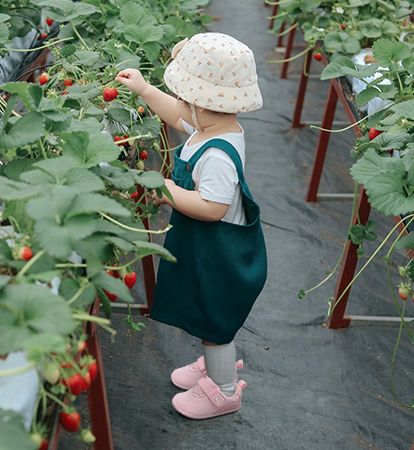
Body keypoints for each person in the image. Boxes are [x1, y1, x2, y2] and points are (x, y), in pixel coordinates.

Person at [115, 32, 267, 420]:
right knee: (206, 316)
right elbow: (179, 115)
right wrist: (146, 90)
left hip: (220, 255)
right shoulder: (212, 128)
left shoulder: (217, 154)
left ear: (206, 103)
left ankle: (224, 390)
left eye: (186, 96)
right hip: (209, 247)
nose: (181, 103)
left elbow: (212, 207)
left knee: (213, 321)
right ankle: (213, 364)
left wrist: (166, 190)